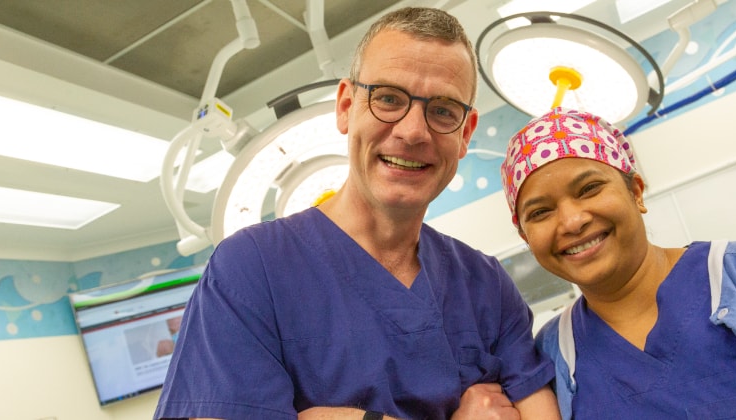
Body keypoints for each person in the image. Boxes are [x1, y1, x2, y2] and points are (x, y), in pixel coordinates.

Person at [154, 7, 560, 420]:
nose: (412, 131)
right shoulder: (250, 269)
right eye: (388, 99)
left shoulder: (486, 285)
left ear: (465, 133)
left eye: (443, 111)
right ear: (346, 106)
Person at [499, 106, 736, 419]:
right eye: (540, 212)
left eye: (589, 188)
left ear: (636, 192)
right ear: (526, 237)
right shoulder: (550, 356)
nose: (572, 222)